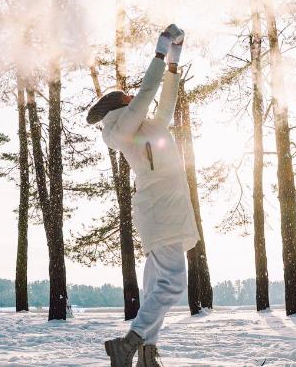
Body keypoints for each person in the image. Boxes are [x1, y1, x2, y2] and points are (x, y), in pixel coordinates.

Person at [87, 24, 200, 367]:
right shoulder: (120, 129)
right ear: (119, 104)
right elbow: (149, 91)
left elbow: (164, 101)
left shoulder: (144, 128)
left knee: (156, 289)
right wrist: (160, 49)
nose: (132, 96)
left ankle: (147, 356)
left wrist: (174, 62)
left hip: (165, 212)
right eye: (127, 96)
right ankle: (129, 344)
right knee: (171, 285)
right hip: (161, 213)